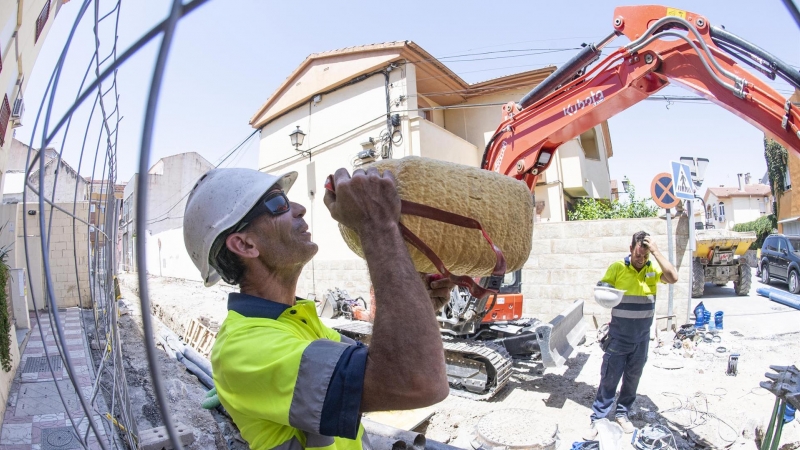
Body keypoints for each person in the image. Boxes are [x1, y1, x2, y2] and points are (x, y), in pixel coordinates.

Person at [183, 166, 451, 450]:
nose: (299, 209)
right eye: (277, 203)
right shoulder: (243, 349)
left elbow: (380, 368)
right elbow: (417, 382)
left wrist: (415, 304)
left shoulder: (298, 321)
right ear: (245, 244)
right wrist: (377, 224)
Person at [586, 231, 678, 439]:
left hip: (642, 338)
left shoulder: (653, 268)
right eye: (638, 255)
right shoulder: (618, 267)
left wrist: (656, 252)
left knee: (632, 379)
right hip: (619, 336)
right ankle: (598, 417)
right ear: (630, 249)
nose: (641, 260)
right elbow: (603, 288)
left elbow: (673, 277)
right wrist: (605, 290)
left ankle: (622, 413)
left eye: (645, 256)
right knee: (609, 378)